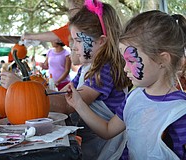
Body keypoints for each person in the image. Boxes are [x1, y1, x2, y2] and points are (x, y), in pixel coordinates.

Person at [65, 10, 186, 159]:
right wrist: (78, 104)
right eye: (124, 61)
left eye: (132, 61)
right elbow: (107, 130)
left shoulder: (180, 112)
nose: (125, 68)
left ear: (163, 60)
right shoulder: (133, 98)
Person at [50, 1, 132, 159]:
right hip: (96, 144)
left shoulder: (104, 70)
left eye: (78, 41)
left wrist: (26, 89)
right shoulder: (86, 68)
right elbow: (60, 95)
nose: (73, 47)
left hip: (112, 150)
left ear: (101, 41)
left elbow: (68, 104)